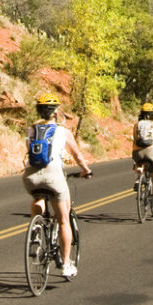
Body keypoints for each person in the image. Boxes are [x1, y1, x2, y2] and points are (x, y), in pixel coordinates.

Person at [22, 93, 92, 280]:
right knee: (63, 220)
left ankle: (36, 228)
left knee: (39, 197)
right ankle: (66, 264)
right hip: (54, 175)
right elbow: (77, 155)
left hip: (30, 177)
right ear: (56, 113)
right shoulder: (63, 131)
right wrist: (86, 170)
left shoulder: (32, 130)